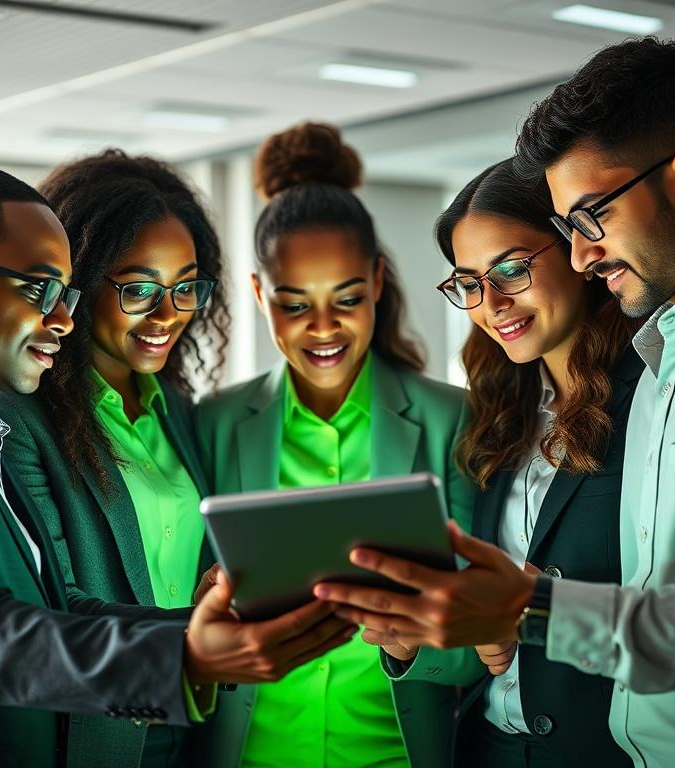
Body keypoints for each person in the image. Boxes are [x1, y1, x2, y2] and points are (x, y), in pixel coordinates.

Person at [314, 38, 675, 767]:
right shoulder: (674, 350)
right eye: (568, 231)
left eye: (591, 219)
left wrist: (532, 609)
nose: (584, 256)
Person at [0, 157, 356, 768]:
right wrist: (191, 658)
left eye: (67, 293)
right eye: (40, 288)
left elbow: (53, 609)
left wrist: (205, 625)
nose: (64, 319)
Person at [195, 122, 475, 768]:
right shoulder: (213, 423)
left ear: (378, 281)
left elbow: (483, 636)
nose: (323, 329)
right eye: (295, 306)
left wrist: (410, 643)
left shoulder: (450, 419)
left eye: (347, 299)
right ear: (261, 295)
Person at [374, 157, 639, 767]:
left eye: (511, 270)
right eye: (468, 282)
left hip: (604, 751)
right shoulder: (499, 415)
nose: (490, 303)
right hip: (491, 747)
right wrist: (419, 640)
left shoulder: (654, 400)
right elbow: (488, 630)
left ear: (577, 248)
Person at [0, 149, 230, 768]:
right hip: (93, 732)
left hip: (194, 720)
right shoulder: (13, 414)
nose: (167, 314)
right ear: (79, 282)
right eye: (139, 288)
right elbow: (48, 602)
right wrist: (193, 631)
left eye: (185, 288)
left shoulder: (177, 408)